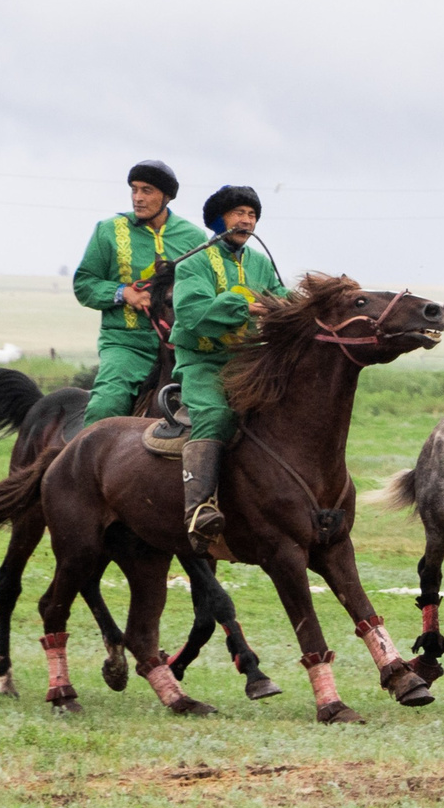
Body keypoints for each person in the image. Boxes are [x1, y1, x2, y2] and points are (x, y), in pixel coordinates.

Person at [170, 184, 289, 543]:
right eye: (239, 213)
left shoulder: (261, 263)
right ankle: (199, 510)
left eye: (252, 215)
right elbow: (191, 313)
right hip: (202, 362)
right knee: (216, 415)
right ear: (219, 219)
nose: (247, 220)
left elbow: (280, 297)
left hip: (246, 363)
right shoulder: (194, 264)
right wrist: (244, 307)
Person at [69, 160, 206, 427]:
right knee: (106, 406)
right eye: (134, 190)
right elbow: (84, 284)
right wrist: (123, 293)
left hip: (183, 348)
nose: (138, 198)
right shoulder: (108, 231)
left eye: (147, 191)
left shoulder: (194, 237)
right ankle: (79, 467)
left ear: (166, 197)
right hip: (127, 344)